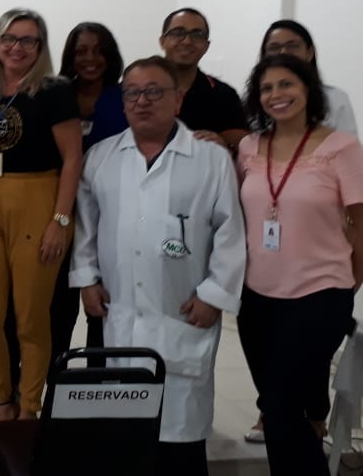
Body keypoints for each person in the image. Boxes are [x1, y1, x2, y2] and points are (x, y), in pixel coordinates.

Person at [71, 56, 246, 476]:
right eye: (132, 93)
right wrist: (87, 279)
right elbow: (85, 226)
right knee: (127, 438)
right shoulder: (101, 157)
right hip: (121, 312)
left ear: (178, 99)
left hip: (184, 312)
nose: (142, 101)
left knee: (180, 443)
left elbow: (230, 231)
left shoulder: (210, 159)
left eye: (154, 91)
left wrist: (215, 294)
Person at [237, 54, 363, 475]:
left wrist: (348, 285)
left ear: (308, 89)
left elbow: (360, 225)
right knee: (278, 409)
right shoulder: (249, 148)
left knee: (280, 405)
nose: (277, 94)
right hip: (256, 299)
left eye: (286, 84)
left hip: (319, 296)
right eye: (267, 88)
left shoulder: (341, 147)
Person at [0, 8, 82, 421]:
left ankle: (29, 405)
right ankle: (3, 398)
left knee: (30, 319)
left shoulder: (54, 91)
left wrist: (60, 221)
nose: (17, 47)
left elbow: (73, 159)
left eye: (28, 40)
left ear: (40, 47)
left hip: (39, 204)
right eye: (10, 38)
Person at [53, 21, 127, 367]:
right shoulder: (56, 95)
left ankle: (97, 382)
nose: (90, 58)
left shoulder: (124, 98)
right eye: (81, 51)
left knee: (102, 305)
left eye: (98, 51)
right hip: (60, 215)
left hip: (109, 216)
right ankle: (55, 380)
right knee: (57, 309)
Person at [159, 7, 248, 150]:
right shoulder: (138, 90)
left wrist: (223, 145)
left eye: (197, 34)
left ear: (206, 46)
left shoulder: (224, 95)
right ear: (162, 41)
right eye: (178, 33)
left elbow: (240, 146)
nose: (187, 41)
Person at [259, 19, 356, 135]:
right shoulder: (255, 101)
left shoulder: (335, 98)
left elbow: (348, 143)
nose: (283, 52)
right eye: (274, 48)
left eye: (292, 46)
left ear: (310, 53)